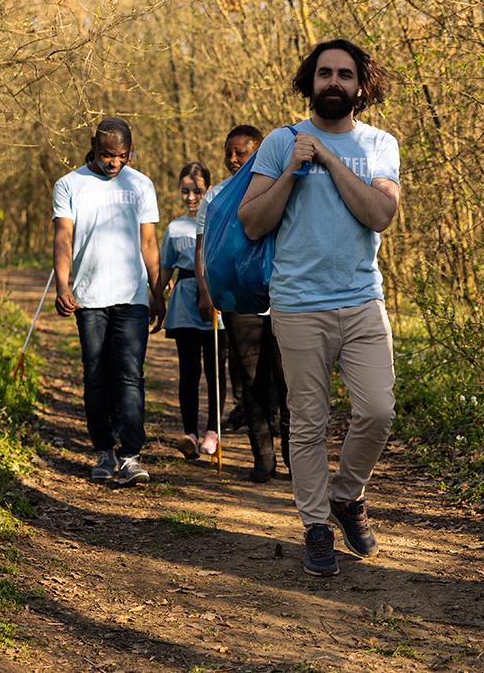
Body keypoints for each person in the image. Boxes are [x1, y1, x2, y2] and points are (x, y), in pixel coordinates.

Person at [238, 39, 401, 576]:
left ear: (361, 85)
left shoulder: (379, 144)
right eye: (325, 73)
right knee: (308, 422)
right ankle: (315, 525)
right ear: (310, 81)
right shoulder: (281, 143)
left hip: (361, 301)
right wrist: (292, 170)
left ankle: (346, 494)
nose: (334, 82)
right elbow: (252, 221)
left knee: (378, 410)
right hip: (298, 305)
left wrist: (330, 159)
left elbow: (379, 214)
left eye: (345, 75)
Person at [52, 117, 165, 486]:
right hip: (88, 298)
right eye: (106, 154)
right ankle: (103, 451)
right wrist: (63, 285)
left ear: (130, 153)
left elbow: (149, 242)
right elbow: (63, 238)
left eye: (121, 155)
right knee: (96, 375)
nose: (113, 162)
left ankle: (131, 456)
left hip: (131, 296)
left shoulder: (141, 185)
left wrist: (157, 291)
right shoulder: (69, 184)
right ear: (93, 147)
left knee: (131, 376)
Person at [194, 125, 291, 484]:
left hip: (283, 298)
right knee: (250, 380)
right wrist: (207, 292)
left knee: (288, 381)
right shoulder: (216, 197)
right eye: (229, 153)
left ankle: (292, 455)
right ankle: (262, 458)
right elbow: (204, 250)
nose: (234, 160)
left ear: (261, 153)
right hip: (238, 301)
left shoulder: (282, 188)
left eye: (243, 153)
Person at [159, 162, 226, 459]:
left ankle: (213, 431)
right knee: (189, 369)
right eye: (185, 191)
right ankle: (190, 433)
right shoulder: (174, 228)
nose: (190, 197)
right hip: (184, 301)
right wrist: (154, 298)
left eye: (197, 191)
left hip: (215, 300)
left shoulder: (219, 221)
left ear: (207, 190)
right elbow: (165, 268)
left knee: (215, 370)